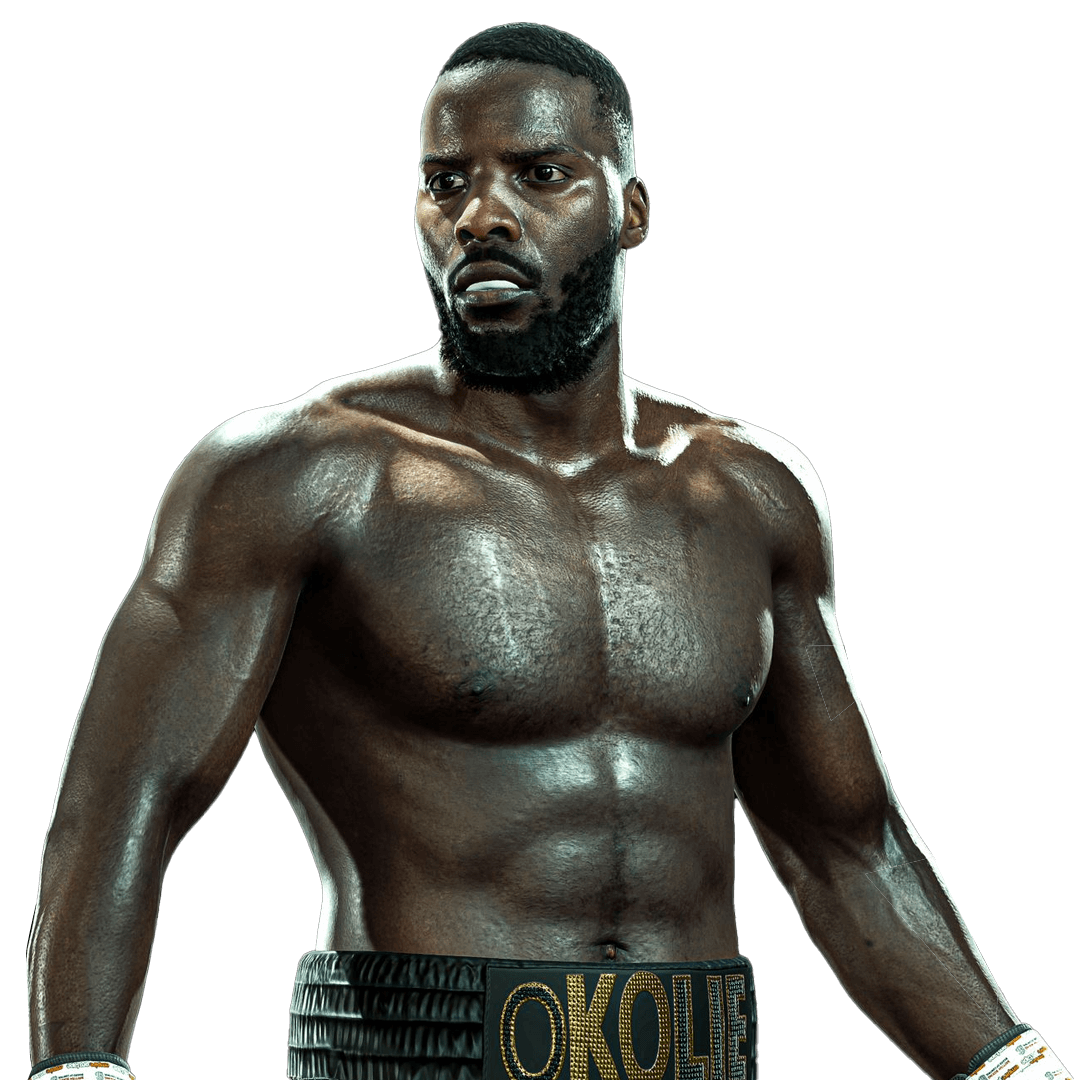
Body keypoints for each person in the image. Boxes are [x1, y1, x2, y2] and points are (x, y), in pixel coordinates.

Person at [25, 21, 1072, 1080]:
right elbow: (120, 811)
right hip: (419, 1060)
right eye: (445, 182)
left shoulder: (747, 495)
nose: (481, 215)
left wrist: (1015, 1067)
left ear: (632, 209)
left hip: (698, 1059)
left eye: (539, 174)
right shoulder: (298, 478)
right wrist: (79, 1067)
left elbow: (848, 848)